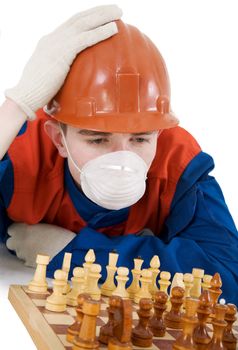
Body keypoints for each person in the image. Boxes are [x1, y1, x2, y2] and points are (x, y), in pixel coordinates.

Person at [1, 5, 238, 304]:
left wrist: (75, 252)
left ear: (159, 134)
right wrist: (12, 110)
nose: (122, 158)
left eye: (140, 138)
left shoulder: (179, 166)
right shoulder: (22, 159)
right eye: (98, 139)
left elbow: (227, 278)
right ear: (58, 139)